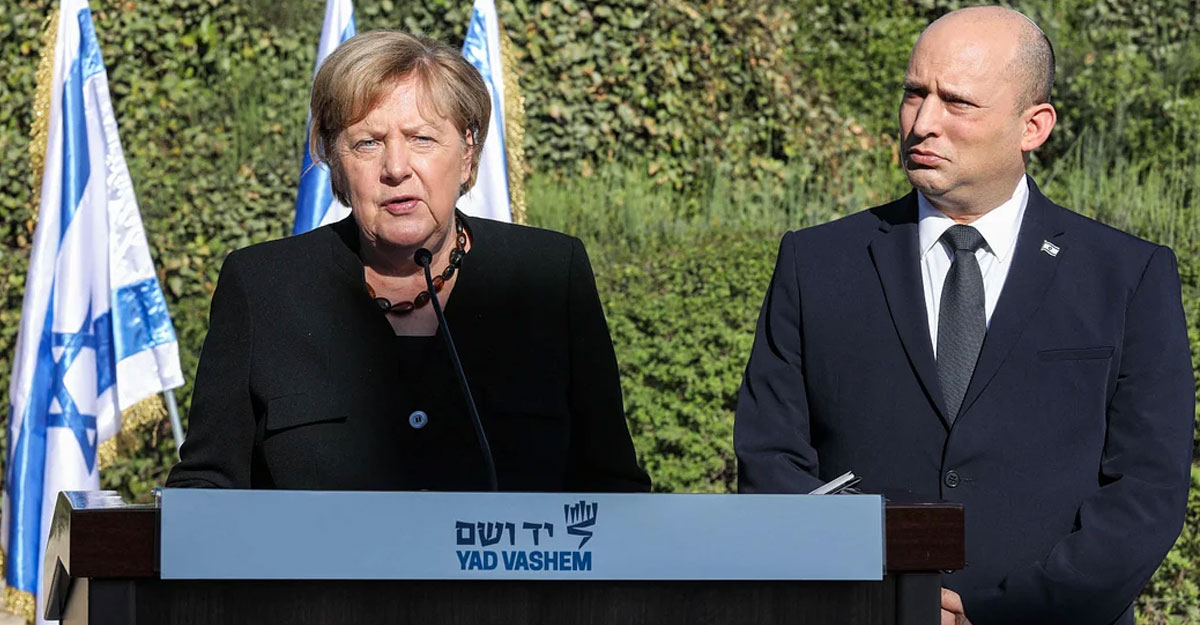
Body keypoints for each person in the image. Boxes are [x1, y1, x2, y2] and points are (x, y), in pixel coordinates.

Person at [734, 6, 1193, 625]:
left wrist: (1005, 612)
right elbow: (771, 462)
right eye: (914, 94)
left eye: (957, 102)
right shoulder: (816, 264)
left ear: (1033, 126)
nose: (923, 123)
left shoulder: (1126, 275)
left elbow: (1147, 489)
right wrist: (877, 599)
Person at [167, 30, 650, 493]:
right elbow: (207, 489)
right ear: (335, 160)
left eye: (421, 138)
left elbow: (611, 483)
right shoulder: (262, 287)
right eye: (368, 143)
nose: (396, 168)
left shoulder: (550, 274)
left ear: (467, 152)